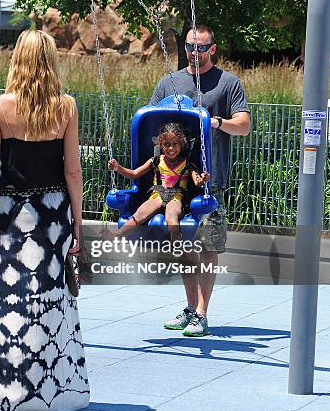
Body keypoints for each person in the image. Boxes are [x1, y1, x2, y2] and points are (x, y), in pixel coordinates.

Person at [0, 30, 90, 411]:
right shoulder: (66, 107)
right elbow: (73, 172)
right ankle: (57, 392)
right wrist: (78, 225)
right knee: (51, 302)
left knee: (3, 302)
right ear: (51, 61)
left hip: (13, 215)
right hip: (54, 216)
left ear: (16, 59)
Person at [150, 24, 250, 337]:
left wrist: (216, 121)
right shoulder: (170, 82)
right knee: (181, 246)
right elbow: (150, 121)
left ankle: (203, 313)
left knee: (207, 247)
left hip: (210, 180)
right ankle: (191, 307)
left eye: (202, 47)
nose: (195, 53)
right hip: (174, 183)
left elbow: (244, 125)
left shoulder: (227, 83)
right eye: (191, 47)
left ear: (213, 49)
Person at [107, 122, 210, 241]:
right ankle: (117, 235)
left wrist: (203, 179)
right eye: (166, 144)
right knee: (141, 213)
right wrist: (118, 168)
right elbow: (134, 174)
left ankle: (175, 239)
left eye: (175, 144)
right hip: (156, 196)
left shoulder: (187, 164)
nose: (171, 148)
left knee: (172, 214)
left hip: (176, 197)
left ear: (181, 144)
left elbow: (197, 182)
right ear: (160, 145)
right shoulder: (155, 161)